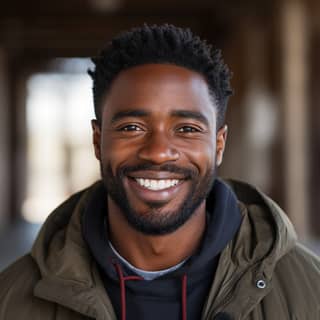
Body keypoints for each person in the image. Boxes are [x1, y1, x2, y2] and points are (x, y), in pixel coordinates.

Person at [0, 24, 319, 320]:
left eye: (187, 128)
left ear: (218, 144)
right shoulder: (11, 297)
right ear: (98, 141)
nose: (158, 151)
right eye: (132, 127)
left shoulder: (309, 291)